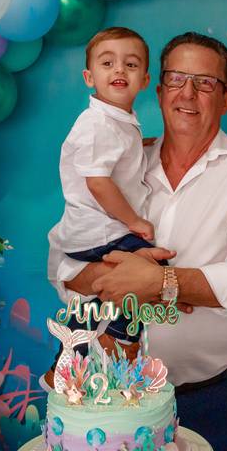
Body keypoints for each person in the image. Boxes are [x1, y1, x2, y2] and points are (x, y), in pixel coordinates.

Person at [47, 32, 227, 451]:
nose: (187, 93)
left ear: (226, 99)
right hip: (107, 398)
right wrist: (121, 279)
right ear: (158, 91)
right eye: (176, 79)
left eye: (205, 83)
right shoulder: (123, 162)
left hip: (213, 398)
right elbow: (62, 265)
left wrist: (161, 283)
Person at [46, 26, 159, 375]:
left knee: (89, 304)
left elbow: (112, 157)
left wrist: (137, 149)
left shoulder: (116, 121)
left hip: (90, 231)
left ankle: (69, 357)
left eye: (130, 64)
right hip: (101, 230)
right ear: (89, 77)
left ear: (144, 80)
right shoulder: (98, 124)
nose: (119, 70)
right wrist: (133, 221)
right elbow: (98, 182)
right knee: (152, 270)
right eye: (107, 63)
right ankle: (119, 336)